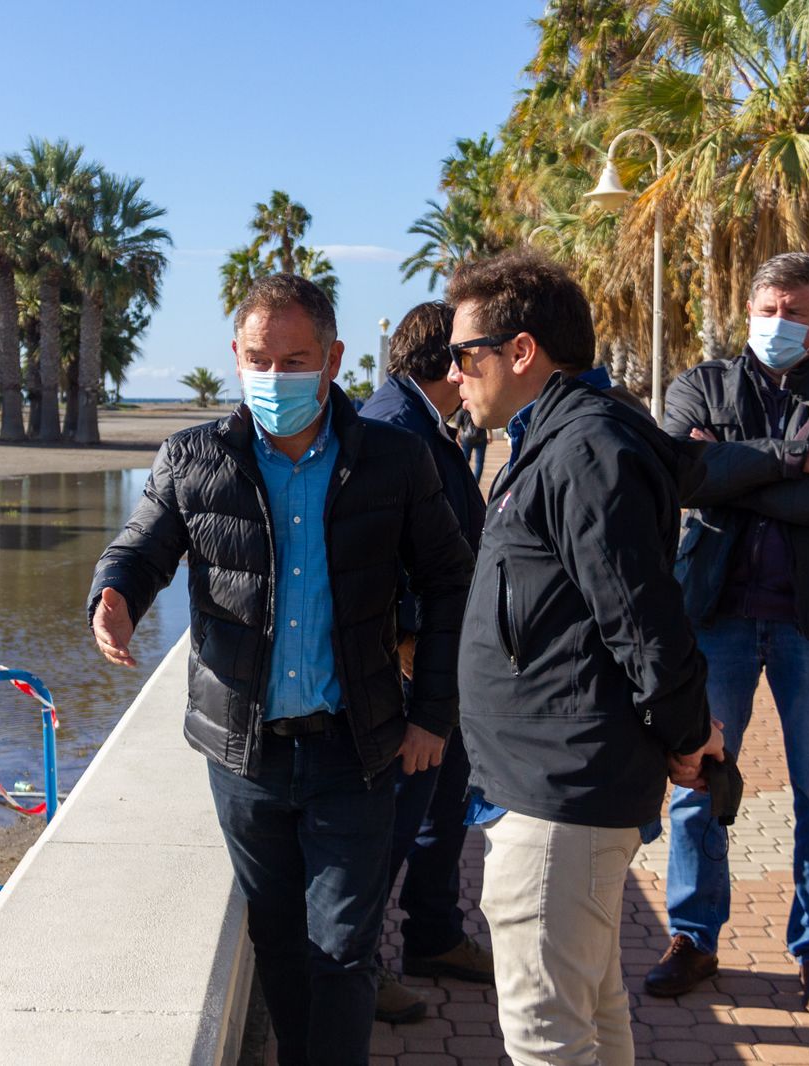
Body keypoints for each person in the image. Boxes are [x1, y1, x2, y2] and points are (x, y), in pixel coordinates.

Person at [87, 273, 474, 1066]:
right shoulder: (194, 458)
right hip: (247, 759)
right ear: (235, 356)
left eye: (295, 359)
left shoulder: (394, 460)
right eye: (258, 359)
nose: (274, 377)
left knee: (342, 953)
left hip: (356, 751)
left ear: (333, 359)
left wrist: (434, 712)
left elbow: (450, 580)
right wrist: (115, 595)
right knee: (281, 948)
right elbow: (143, 546)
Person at [450, 250, 722, 1066]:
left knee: (548, 1038)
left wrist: (685, 735)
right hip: (556, 784)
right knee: (595, 1026)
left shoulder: (583, 449)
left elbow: (642, 618)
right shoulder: (564, 439)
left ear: (521, 351)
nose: (456, 374)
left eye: (467, 355)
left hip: (561, 795)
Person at [645, 252, 809, 1021]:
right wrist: (807, 460)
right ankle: (692, 937)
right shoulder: (703, 384)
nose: (776, 323)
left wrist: (739, 474)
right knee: (697, 781)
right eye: (765, 308)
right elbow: (679, 475)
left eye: (793, 310)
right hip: (716, 616)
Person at [358, 302, 492, 1024]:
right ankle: (363, 966)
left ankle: (434, 935)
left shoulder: (422, 423)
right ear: (452, 362)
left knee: (444, 807)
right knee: (396, 819)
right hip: (411, 670)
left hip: (446, 662)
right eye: (477, 354)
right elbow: (375, 557)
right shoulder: (392, 427)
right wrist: (412, 647)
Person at [457, 409, 488, 482]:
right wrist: (490, 434)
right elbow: (487, 423)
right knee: (479, 463)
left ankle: (464, 482)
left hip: (466, 439)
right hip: (481, 438)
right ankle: (475, 483)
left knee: (465, 462)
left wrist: (458, 439)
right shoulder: (480, 408)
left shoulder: (461, 411)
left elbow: (457, 427)